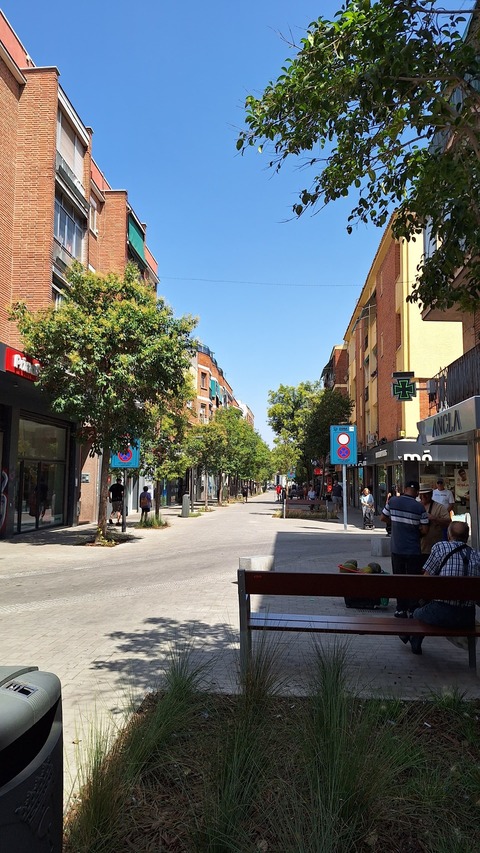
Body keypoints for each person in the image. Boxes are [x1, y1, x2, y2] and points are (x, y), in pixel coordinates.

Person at [400, 521, 480, 655]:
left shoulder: (440, 547)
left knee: (417, 613)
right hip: (467, 618)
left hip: (442, 613)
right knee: (427, 608)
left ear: (449, 535)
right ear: (467, 538)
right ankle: (412, 637)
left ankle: (410, 635)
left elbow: (426, 580)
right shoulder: (476, 556)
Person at [381, 480, 429, 618]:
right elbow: (425, 530)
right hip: (413, 549)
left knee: (399, 578)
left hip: (397, 548)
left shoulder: (393, 501)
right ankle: (413, 608)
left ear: (405, 488)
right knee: (413, 580)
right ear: (417, 492)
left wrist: (395, 523)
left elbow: (383, 517)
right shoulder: (420, 507)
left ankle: (401, 608)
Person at [418, 483, 451, 564]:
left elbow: (448, 522)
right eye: (421, 494)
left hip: (433, 549)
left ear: (431, 494)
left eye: (426, 494)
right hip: (417, 549)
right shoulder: (415, 506)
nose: (423, 497)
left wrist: (434, 518)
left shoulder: (439, 507)